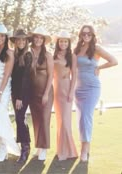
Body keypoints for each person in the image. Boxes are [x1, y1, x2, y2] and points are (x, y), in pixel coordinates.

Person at [74, 25, 117, 162]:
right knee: (81, 119)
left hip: (92, 88)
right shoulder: (76, 49)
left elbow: (114, 61)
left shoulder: (96, 49)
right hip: (78, 89)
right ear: (80, 35)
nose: (86, 36)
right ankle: (85, 146)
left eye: (89, 34)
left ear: (93, 36)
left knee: (86, 117)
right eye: (84, 33)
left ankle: (84, 150)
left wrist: (99, 67)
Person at [0, 23, 20, 162]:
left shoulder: (9, 52)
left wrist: (0, 92)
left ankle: (4, 149)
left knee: (1, 116)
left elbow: (7, 74)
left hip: (3, 89)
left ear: (6, 37)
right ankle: (0, 145)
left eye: (2, 35)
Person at [29, 27, 54, 161]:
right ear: (33, 38)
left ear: (44, 40)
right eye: (36, 37)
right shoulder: (28, 53)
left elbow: (51, 76)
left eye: (41, 38)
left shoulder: (48, 55)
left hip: (46, 92)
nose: (38, 39)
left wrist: (46, 94)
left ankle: (44, 148)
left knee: (44, 119)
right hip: (32, 92)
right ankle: (38, 146)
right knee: (36, 120)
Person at [53, 30, 78, 161]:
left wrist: (71, 92)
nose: (63, 43)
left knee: (66, 121)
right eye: (61, 41)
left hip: (67, 88)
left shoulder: (72, 56)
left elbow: (74, 75)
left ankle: (69, 151)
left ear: (68, 43)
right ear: (58, 43)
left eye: (65, 41)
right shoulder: (54, 56)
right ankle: (60, 150)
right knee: (59, 120)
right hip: (57, 89)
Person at [9, 29, 32, 163]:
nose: (21, 42)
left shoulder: (28, 55)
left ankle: (25, 148)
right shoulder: (15, 55)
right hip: (14, 92)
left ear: (26, 41)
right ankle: (25, 145)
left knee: (20, 118)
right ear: (15, 42)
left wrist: (20, 97)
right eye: (19, 40)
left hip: (23, 93)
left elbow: (26, 78)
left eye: (24, 40)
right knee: (19, 118)